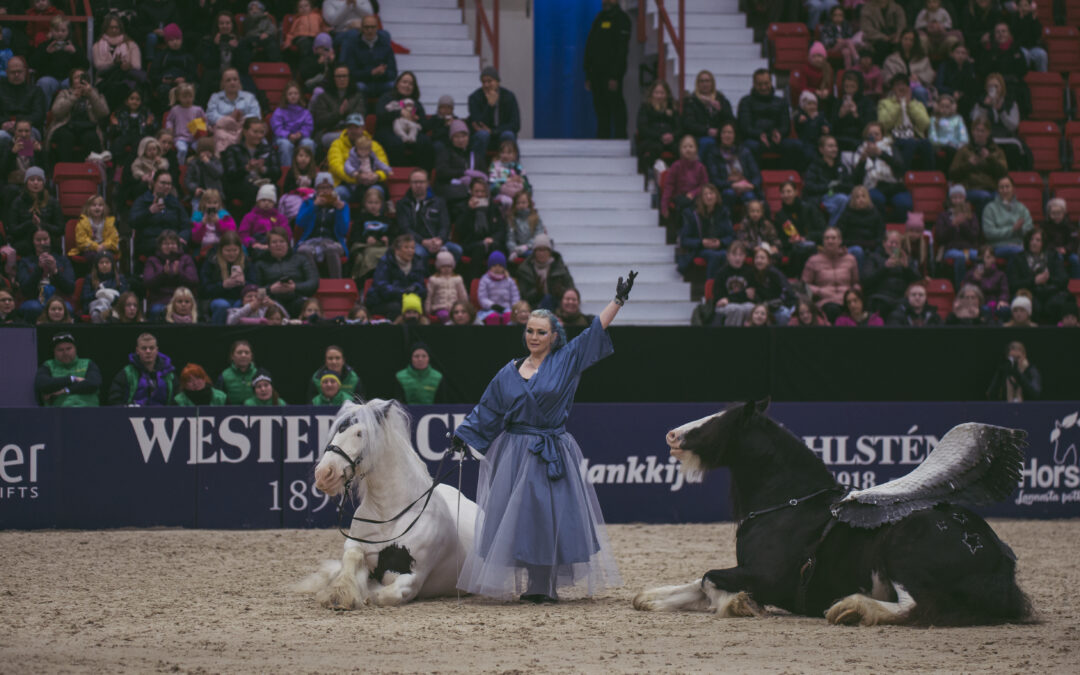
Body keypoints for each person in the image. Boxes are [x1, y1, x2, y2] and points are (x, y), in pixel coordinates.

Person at [450, 272, 636, 603]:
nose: (534, 337)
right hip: (515, 452)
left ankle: (544, 586)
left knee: (548, 520)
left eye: (541, 332)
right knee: (518, 521)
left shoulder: (566, 361)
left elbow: (595, 331)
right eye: (530, 331)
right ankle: (531, 586)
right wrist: (465, 435)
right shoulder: (508, 372)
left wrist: (617, 301)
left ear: (553, 336)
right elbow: (488, 409)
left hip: (550, 451)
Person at [583, 0, 631, 139]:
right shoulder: (600, 18)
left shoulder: (622, 19)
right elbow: (590, 46)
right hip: (596, 74)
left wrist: (615, 76)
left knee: (616, 107)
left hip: (612, 75)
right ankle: (602, 139)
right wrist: (588, 75)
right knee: (600, 109)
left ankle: (620, 138)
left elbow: (622, 51)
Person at [737, 69, 802, 169]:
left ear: (771, 83)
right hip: (755, 139)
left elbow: (786, 126)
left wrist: (779, 133)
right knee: (749, 146)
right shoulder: (745, 102)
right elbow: (744, 127)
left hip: (776, 140)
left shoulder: (781, 102)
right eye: (759, 84)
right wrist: (759, 135)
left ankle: (786, 177)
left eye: (766, 83)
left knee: (796, 145)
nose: (763, 87)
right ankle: (754, 178)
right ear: (754, 84)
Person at [44, 68, 108, 164]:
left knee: (91, 138)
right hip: (66, 126)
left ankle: (92, 171)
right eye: (76, 77)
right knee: (66, 137)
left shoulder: (94, 93)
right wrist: (73, 97)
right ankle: (65, 170)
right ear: (71, 82)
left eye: (82, 77)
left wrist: (91, 95)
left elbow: (104, 113)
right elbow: (56, 112)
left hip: (88, 127)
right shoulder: (64, 93)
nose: (79, 80)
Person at [1007, 228, 1070, 324]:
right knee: (1033, 305)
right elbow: (1013, 284)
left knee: (1055, 304)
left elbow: (1064, 280)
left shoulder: (1053, 257)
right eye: (1031, 239)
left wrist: (1048, 279)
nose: (1034, 243)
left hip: (1051, 292)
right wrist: (1034, 281)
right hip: (1029, 292)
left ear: (1043, 243)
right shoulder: (1018, 259)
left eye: (1038, 240)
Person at [396, 168, 459, 263]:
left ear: (427, 183)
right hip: (416, 242)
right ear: (410, 183)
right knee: (419, 253)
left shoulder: (439, 202)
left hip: (437, 241)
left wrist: (440, 240)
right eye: (415, 182)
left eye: (421, 182)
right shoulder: (402, 204)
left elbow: (445, 225)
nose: (418, 185)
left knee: (457, 250)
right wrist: (423, 241)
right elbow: (405, 228)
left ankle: (447, 277)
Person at [948, 116, 1007, 217]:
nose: (979, 134)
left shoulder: (997, 151)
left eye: (983, 131)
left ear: (988, 133)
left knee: (999, 198)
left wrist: (990, 158)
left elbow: (1004, 173)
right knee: (984, 197)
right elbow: (952, 174)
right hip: (970, 188)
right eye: (977, 130)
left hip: (991, 188)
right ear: (972, 132)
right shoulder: (963, 150)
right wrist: (968, 165)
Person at [254, 226, 319, 314]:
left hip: (298, 299)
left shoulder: (301, 259)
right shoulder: (260, 264)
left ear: (288, 244)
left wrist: (295, 287)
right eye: (274, 242)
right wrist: (270, 289)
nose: (278, 245)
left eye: (282, 241)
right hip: (272, 302)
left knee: (308, 306)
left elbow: (313, 283)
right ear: (268, 246)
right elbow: (254, 289)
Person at [297, 172, 350, 279]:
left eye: (328, 188)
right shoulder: (308, 203)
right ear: (316, 190)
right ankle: (314, 282)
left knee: (331, 249)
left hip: (332, 241)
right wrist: (314, 206)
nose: (325, 191)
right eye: (321, 188)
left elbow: (343, 230)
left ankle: (336, 284)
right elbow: (300, 222)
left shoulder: (342, 205)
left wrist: (340, 211)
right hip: (311, 240)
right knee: (303, 250)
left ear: (333, 189)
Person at [801, 226, 860, 322]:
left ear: (840, 240)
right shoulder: (813, 260)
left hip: (847, 301)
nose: (830, 241)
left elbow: (856, 283)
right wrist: (820, 291)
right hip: (826, 302)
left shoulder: (850, 259)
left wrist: (854, 293)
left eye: (833, 238)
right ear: (823, 241)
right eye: (827, 238)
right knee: (832, 309)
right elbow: (804, 285)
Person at [16, 228, 74, 322]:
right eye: (38, 240)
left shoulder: (63, 261)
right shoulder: (25, 262)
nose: (42, 243)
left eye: (45, 239)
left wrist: (55, 271)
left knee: (67, 309)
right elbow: (25, 289)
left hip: (59, 299)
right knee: (33, 308)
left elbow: (70, 288)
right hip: (34, 299)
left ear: (50, 240)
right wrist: (38, 269)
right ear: (32, 242)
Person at [677, 183, 734, 278]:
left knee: (726, 255)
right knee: (715, 256)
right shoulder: (691, 214)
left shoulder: (723, 212)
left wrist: (721, 242)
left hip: (719, 247)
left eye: (711, 193)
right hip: (700, 249)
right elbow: (684, 240)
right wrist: (702, 242)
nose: (709, 196)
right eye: (705, 194)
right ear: (701, 198)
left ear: (716, 196)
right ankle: (711, 288)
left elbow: (731, 236)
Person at [130, 171, 190, 257]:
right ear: (154, 183)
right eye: (163, 183)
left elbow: (186, 225)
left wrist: (182, 237)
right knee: (162, 249)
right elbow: (132, 222)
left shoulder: (175, 202)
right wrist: (149, 212)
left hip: (173, 240)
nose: (166, 186)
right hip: (150, 241)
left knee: (181, 249)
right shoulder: (142, 200)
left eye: (169, 184)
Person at [367, 234, 427, 319]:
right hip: (382, 301)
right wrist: (403, 292)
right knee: (397, 308)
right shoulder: (385, 262)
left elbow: (421, 286)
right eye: (406, 247)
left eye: (412, 248)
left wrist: (415, 288)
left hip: (406, 299)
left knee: (419, 306)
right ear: (397, 250)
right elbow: (382, 287)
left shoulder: (417, 262)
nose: (410, 251)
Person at [860, 229, 919, 316]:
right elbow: (866, 281)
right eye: (891, 242)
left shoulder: (906, 259)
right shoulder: (873, 257)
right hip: (879, 297)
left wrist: (907, 268)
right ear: (884, 243)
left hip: (900, 299)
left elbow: (917, 280)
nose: (893, 246)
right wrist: (885, 267)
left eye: (897, 243)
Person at [108, 332, 176, 406]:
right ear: (137, 351)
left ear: (157, 350)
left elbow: (178, 400)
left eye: (151, 348)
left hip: (163, 415)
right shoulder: (127, 373)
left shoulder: (169, 374)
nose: (148, 351)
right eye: (144, 348)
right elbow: (114, 400)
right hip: (133, 415)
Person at [7, 166, 63, 257]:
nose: (35, 183)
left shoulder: (52, 202)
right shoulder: (17, 202)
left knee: (53, 247)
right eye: (32, 180)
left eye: (39, 180)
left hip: (47, 241)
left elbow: (60, 229)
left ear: (44, 183)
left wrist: (42, 224)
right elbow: (12, 230)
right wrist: (30, 223)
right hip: (24, 242)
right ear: (26, 183)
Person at [467, 66, 521, 158]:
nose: (486, 85)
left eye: (489, 81)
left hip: (500, 133)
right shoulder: (474, 98)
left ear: (497, 82)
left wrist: (493, 131)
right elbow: (478, 124)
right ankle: (477, 168)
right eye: (484, 82)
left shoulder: (509, 96)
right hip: (484, 135)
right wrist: (490, 106)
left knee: (508, 134)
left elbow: (515, 125)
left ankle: (513, 167)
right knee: (482, 135)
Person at [935, 185, 982, 288]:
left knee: (980, 257)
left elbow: (974, 236)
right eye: (954, 198)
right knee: (960, 257)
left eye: (960, 197)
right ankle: (961, 287)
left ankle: (979, 285)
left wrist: (963, 224)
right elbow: (940, 237)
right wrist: (953, 225)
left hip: (968, 249)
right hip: (951, 249)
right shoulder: (943, 216)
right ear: (950, 199)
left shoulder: (972, 215)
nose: (957, 201)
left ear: (964, 198)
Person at [35, 333, 101, 406]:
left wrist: (65, 390)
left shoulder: (88, 363)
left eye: (69, 348)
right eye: (60, 350)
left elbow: (93, 383)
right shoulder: (48, 365)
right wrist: (72, 379)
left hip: (88, 410)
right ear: (54, 352)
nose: (65, 353)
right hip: (59, 413)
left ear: (75, 349)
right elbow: (43, 384)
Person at [704, 123, 761, 207]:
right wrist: (732, 185)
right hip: (726, 188)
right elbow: (714, 179)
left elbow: (757, 175)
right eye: (724, 132)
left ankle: (749, 220)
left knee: (750, 196)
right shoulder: (713, 153)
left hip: (745, 186)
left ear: (735, 135)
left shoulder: (744, 151)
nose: (727, 135)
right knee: (729, 194)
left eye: (730, 132)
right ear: (720, 135)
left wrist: (751, 186)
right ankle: (725, 219)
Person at [803, 135, 853, 227]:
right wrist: (829, 186)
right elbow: (809, 186)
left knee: (855, 198)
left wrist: (840, 186)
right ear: (821, 150)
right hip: (822, 196)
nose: (834, 149)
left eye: (835, 146)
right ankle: (832, 228)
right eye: (830, 146)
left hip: (839, 194)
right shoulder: (814, 167)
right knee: (842, 199)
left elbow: (849, 184)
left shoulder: (841, 166)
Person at [0, 58, 47, 157]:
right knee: (1, 136)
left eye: (19, 72)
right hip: (5, 128)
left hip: (30, 127)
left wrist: (19, 124)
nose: (16, 75)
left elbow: (39, 115)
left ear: (25, 72)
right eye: (13, 72)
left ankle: (24, 168)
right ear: (7, 73)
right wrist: (3, 123)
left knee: (25, 134)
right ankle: (4, 170)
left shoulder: (36, 91)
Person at [311, 65, 366, 149]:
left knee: (360, 138)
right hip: (328, 132)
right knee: (346, 138)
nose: (342, 79)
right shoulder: (323, 97)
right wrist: (338, 113)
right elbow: (320, 120)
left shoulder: (357, 96)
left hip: (351, 131)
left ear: (349, 77)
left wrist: (347, 111)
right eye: (338, 76)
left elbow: (360, 116)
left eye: (344, 76)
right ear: (333, 78)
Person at [515, 235, 575, 311]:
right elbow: (523, 296)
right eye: (539, 250)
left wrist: (561, 291)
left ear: (550, 252)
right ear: (534, 252)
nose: (541, 253)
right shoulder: (525, 270)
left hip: (558, 306)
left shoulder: (560, 267)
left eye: (544, 250)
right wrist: (537, 292)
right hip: (533, 307)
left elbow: (571, 289)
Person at [982, 174, 1032, 261]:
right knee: (1018, 253)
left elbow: (1029, 231)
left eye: (1007, 187)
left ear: (1013, 189)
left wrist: (1019, 230)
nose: (1004, 190)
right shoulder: (990, 208)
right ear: (998, 190)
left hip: (1019, 245)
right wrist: (1012, 229)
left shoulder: (1022, 208)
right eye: (1001, 187)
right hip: (997, 247)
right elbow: (989, 233)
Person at [660, 135, 709, 222]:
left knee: (696, 205)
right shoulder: (676, 166)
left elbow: (704, 185)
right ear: (680, 150)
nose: (688, 149)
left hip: (695, 197)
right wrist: (664, 204)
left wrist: (693, 193)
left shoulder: (701, 167)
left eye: (691, 146)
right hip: (679, 197)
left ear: (696, 149)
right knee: (684, 205)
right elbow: (669, 186)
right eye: (685, 147)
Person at [709, 240, 756, 327]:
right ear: (728, 256)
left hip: (740, 303)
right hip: (726, 308)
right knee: (735, 309)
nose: (737, 258)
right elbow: (719, 299)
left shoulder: (749, 272)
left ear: (745, 256)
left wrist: (729, 299)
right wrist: (743, 295)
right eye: (734, 255)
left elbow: (751, 296)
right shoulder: (721, 273)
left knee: (751, 308)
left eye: (741, 255)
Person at [636, 80, 678, 174]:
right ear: (651, 94)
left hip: (671, 140)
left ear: (667, 94)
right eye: (656, 93)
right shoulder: (645, 107)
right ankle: (651, 175)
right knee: (654, 148)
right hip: (652, 140)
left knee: (683, 148)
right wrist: (660, 136)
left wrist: (672, 136)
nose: (659, 96)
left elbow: (679, 127)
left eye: (662, 93)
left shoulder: (672, 108)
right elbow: (643, 128)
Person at [477, 251, 520, 325]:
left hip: (507, 309)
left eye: (500, 265)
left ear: (504, 267)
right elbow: (482, 297)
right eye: (494, 265)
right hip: (490, 309)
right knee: (493, 317)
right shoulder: (484, 280)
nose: (497, 268)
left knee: (509, 316)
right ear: (490, 267)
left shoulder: (509, 280)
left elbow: (515, 296)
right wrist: (493, 305)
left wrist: (514, 307)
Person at [215, 340, 258, 404]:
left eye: (247, 352)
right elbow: (218, 399)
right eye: (239, 352)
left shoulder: (258, 374)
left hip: (255, 412)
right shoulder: (224, 376)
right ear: (232, 356)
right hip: (230, 413)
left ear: (251, 356)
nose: (243, 355)